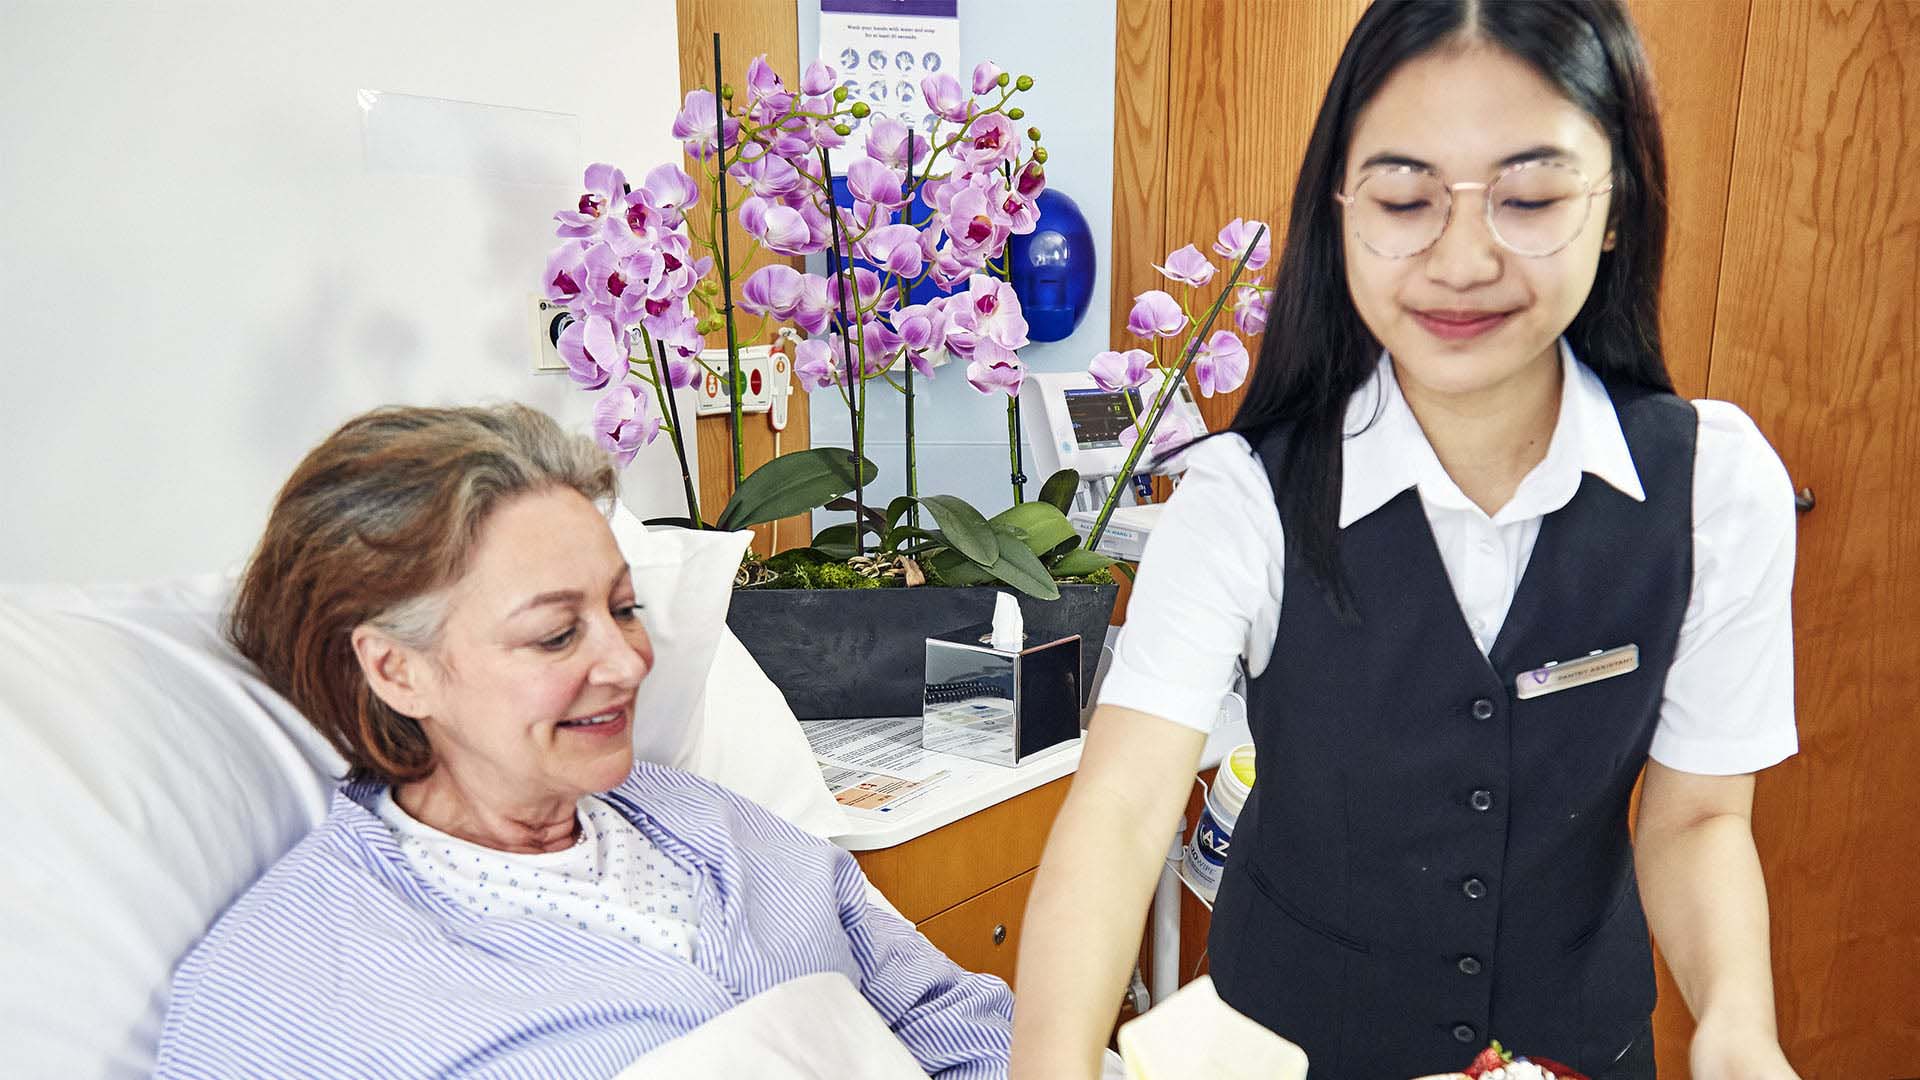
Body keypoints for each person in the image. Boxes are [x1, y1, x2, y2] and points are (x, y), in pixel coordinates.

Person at [1010, 3, 1800, 1079]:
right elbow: (1122, 808)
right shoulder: (1244, 496)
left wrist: (1738, 1029)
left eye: (1528, 195)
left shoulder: (1717, 484)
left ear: (1618, 205)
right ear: (1340, 207)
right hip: (1287, 1046)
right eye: (1403, 195)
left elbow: (1699, 817)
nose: (1462, 258)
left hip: (1578, 1049)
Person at [155, 404, 1013, 1078]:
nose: (628, 660)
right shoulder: (284, 992)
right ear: (397, 670)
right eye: (557, 635)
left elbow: (951, 1018)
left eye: (624, 608)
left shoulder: (714, 824)